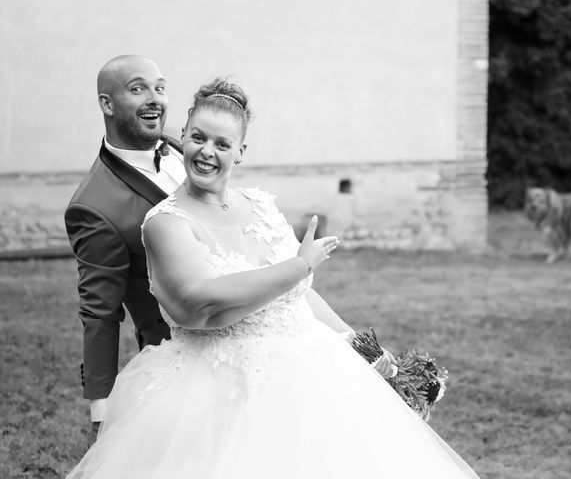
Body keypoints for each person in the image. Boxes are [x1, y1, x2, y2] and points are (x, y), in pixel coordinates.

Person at [66, 78, 479, 478]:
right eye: (198, 137)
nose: (206, 152)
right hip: (214, 389)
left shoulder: (261, 205)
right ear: (183, 138)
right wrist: (298, 266)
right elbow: (202, 308)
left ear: (240, 152)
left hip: (314, 373)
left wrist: (364, 349)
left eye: (222, 144)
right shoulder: (166, 223)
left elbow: (298, 299)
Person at [64, 55, 186, 432]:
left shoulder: (180, 150)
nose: (155, 99)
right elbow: (100, 314)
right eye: (138, 89)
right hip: (182, 358)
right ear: (107, 103)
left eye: (160, 88)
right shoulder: (93, 205)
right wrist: (101, 412)